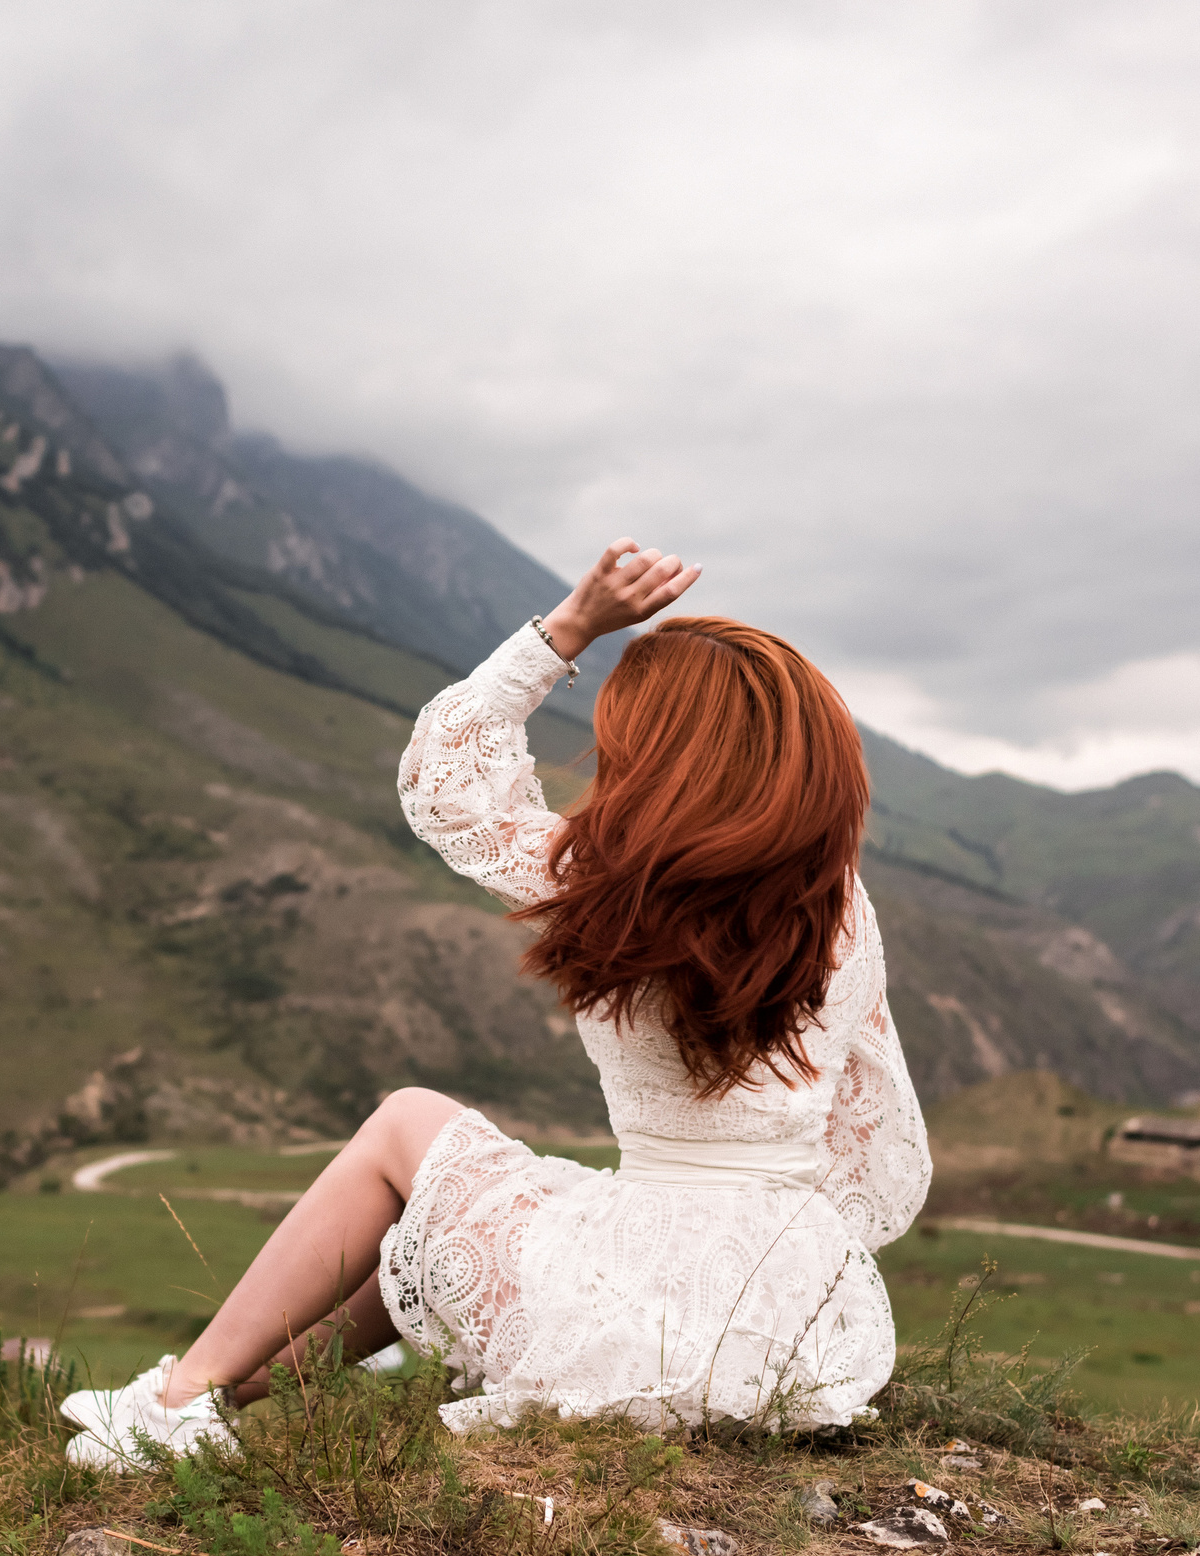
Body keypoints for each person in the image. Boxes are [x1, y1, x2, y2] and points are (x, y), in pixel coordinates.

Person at [62, 540, 930, 1467]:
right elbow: (877, 1147)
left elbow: (447, 781)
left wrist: (569, 630)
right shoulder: (838, 912)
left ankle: (178, 1402)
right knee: (465, 1211)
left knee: (409, 1127)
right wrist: (764, 1243)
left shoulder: (604, 884)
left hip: (632, 1317)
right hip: (802, 1330)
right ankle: (233, 1397)